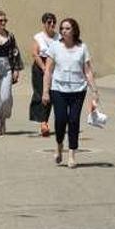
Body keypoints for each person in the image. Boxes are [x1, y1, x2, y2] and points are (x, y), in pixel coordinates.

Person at [42, 18, 101, 169]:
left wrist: (94, 90)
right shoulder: (55, 46)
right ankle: (59, 144)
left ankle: (72, 154)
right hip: (58, 89)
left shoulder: (82, 47)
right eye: (62, 28)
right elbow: (48, 70)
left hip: (78, 90)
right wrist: (45, 92)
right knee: (61, 120)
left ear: (74, 30)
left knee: (74, 120)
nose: (64, 31)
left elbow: (87, 71)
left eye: (67, 28)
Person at [30, 13, 59, 136]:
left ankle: (44, 120)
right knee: (41, 93)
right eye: (49, 22)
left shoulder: (58, 37)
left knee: (50, 95)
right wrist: (43, 67)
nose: (52, 24)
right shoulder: (39, 37)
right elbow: (35, 53)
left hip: (54, 68)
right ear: (44, 24)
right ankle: (43, 122)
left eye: (53, 22)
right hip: (40, 67)